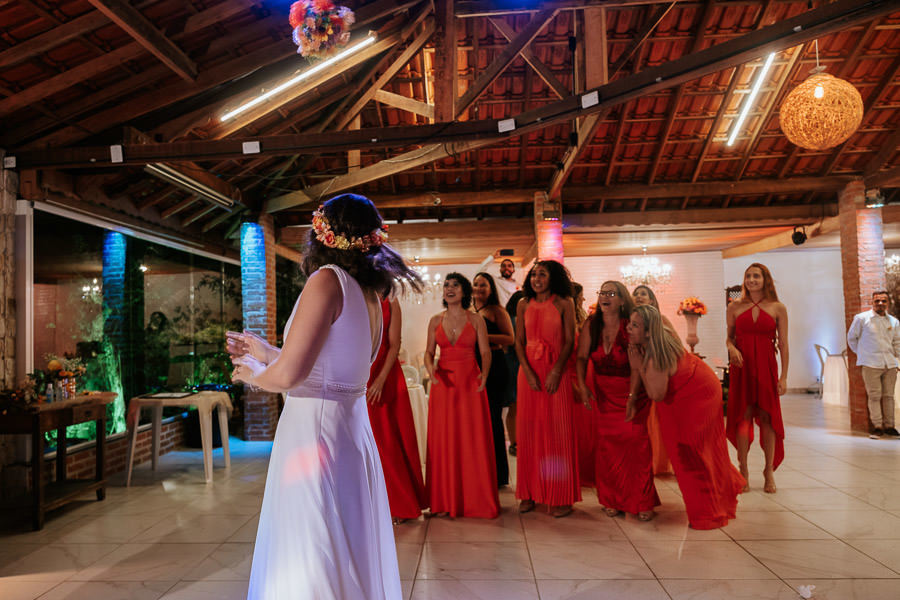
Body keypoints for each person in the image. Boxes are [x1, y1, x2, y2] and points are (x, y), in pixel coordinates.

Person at [229, 194, 419, 600]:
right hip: (347, 432)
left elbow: (293, 375)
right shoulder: (368, 293)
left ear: (321, 233)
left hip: (314, 438)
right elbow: (329, 368)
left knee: (312, 549)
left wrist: (252, 374)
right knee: (340, 545)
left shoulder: (327, 281)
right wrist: (265, 351)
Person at [627, 305, 746, 530]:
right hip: (696, 387)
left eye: (634, 325)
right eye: (629, 323)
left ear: (649, 331)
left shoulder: (655, 353)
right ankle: (718, 498)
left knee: (689, 453)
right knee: (699, 450)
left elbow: (656, 394)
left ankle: (708, 514)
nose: (628, 328)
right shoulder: (658, 339)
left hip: (696, 395)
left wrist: (638, 366)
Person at [577, 281, 658, 521]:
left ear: (622, 300)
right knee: (608, 446)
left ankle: (642, 500)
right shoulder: (591, 324)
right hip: (604, 394)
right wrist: (582, 385)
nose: (605, 297)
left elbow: (636, 366)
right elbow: (581, 357)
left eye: (611, 293)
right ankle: (611, 498)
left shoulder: (629, 325)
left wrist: (632, 398)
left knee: (636, 445)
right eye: (602, 292)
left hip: (633, 390)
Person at [424, 273, 500, 518]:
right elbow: (428, 352)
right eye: (446, 285)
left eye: (455, 285)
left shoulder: (476, 319)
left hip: (470, 382)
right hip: (443, 384)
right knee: (444, 438)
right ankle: (444, 500)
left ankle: (474, 500)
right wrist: (430, 370)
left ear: (464, 291)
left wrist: (484, 375)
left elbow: (485, 352)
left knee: (471, 437)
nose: (449, 289)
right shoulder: (435, 321)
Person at [515, 260, 580, 518]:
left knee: (556, 434)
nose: (536, 279)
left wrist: (556, 370)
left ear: (553, 278)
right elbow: (518, 342)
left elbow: (569, 341)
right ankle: (529, 492)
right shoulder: (523, 304)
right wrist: (527, 371)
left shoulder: (564, 303)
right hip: (528, 373)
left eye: (542, 274)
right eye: (533, 274)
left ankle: (560, 496)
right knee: (529, 432)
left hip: (556, 372)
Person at [725, 263, 789, 494]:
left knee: (767, 417)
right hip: (742, 368)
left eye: (756, 276)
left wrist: (783, 377)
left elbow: (783, 344)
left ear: (765, 280)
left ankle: (768, 471)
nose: (751, 280)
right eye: (748, 276)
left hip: (766, 367)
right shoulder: (734, 306)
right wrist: (731, 348)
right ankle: (743, 469)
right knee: (743, 418)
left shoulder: (778, 307)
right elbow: (729, 338)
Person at [367, 297, 427, 523]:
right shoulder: (352, 294)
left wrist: (380, 379)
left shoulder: (391, 301)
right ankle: (369, 504)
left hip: (384, 373)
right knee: (365, 442)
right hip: (357, 372)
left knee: (386, 441)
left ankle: (399, 504)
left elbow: (394, 345)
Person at [472, 272, 515, 487]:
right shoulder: (471, 311)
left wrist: (482, 335)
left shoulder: (497, 311)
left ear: (491, 289)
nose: (479, 288)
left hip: (496, 365)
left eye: (483, 285)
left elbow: (510, 338)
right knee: (478, 420)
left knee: (493, 419)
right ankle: (481, 470)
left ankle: (498, 474)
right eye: (476, 284)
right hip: (475, 366)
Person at [847, 290, 900, 439]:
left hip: (889, 364)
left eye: (883, 301)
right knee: (874, 396)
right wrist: (863, 354)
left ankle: (890, 426)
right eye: (877, 301)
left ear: (888, 303)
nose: (880, 303)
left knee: (889, 396)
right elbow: (852, 338)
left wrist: (897, 360)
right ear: (872, 302)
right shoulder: (862, 319)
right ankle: (877, 426)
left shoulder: (894, 322)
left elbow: (897, 342)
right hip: (871, 364)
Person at [632, 285, 673, 476]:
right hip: (638, 374)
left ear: (651, 300)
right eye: (636, 294)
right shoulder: (631, 322)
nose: (639, 296)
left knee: (658, 419)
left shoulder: (661, 320)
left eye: (644, 294)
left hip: (658, 371)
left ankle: (659, 461)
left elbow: (674, 344)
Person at [571, 282, 596, 487]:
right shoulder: (566, 319)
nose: (583, 300)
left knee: (587, 424)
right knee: (575, 424)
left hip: (587, 370)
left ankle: (587, 467)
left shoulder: (584, 319)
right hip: (571, 372)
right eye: (581, 296)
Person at [505, 290, 524, 457]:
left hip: (514, 364)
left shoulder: (513, 318)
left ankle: (515, 441)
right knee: (515, 405)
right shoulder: (512, 319)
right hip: (514, 365)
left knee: (515, 406)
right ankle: (515, 442)